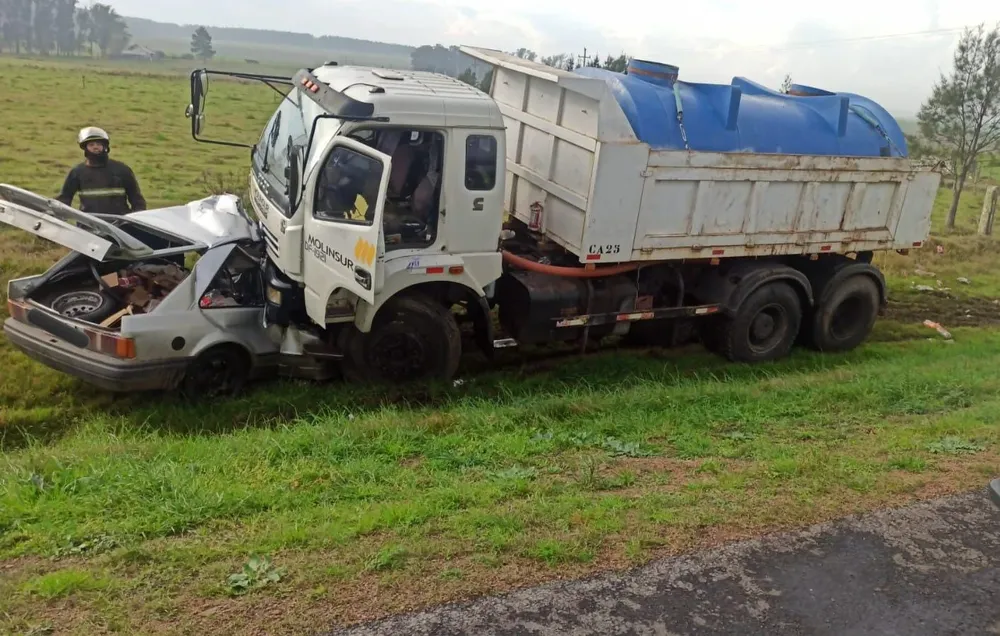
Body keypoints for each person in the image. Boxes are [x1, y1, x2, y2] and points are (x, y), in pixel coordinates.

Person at [57, 127, 147, 215]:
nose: (95, 147)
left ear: (105, 146)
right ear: (85, 148)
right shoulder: (77, 172)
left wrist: (136, 220)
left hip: (119, 224)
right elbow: (64, 199)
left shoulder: (122, 170)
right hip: (89, 225)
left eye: (98, 144)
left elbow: (137, 199)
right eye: (91, 145)